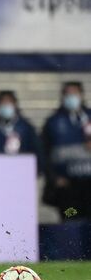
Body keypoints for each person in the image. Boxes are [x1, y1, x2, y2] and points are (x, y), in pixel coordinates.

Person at [42, 81, 91, 220]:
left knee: (88, 220)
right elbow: (44, 153)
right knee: (70, 216)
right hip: (67, 186)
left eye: (74, 93)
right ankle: (71, 239)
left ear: (81, 95)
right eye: (68, 94)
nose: (71, 97)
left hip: (89, 184)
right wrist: (54, 178)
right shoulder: (54, 121)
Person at [0, 90, 41, 157]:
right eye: (3, 103)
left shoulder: (26, 128)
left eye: (8, 102)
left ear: (15, 105)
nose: (5, 106)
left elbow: (37, 151)